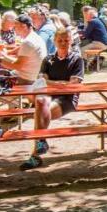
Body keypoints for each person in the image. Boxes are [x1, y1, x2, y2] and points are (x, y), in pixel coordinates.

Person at [20, 28, 84, 171]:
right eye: (60, 40)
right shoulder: (48, 59)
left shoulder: (77, 59)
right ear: (54, 41)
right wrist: (60, 83)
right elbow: (42, 80)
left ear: (71, 41)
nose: (63, 43)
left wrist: (51, 82)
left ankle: (36, 153)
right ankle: (40, 143)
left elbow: (73, 84)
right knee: (41, 103)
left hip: (68, 99)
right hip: (47, 98)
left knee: (41, 108)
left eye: (66, 40)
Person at [0, 12, 46, 84]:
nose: (14, 29)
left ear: (24, 26)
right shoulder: (36, 38)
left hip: (26, 80)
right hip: (34, 77)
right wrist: (3, 56)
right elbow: (21, 62)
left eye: (16, 26)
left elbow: (17, 66)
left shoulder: (28, 42)